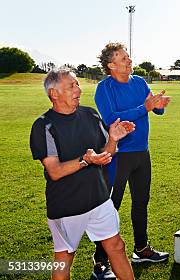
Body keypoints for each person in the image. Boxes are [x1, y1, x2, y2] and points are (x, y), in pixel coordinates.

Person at [30, 69, 136, 280]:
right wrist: (85, 160)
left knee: (116, 246)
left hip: (98, 197)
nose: (78, 90)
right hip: (67, 204)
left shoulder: (90, 114)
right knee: (64, 258)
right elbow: (55, 171)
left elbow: (105, 153)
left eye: (77, 84)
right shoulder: (43, 126)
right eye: (71, 86)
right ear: (54, 93)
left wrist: (113, 139)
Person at [93, 43, 170, 269]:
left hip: (141, 154)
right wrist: (144, 108)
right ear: (111, 65)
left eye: (128, 56)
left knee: (141, 203)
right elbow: (112, 118)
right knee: (111, 207)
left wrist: (159, 105)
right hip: (117, 156)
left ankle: (141, 249)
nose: (129, 60)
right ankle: (100, 259)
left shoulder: (140, 82)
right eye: (123, 58)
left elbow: (155, 108)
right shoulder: (104, 88)